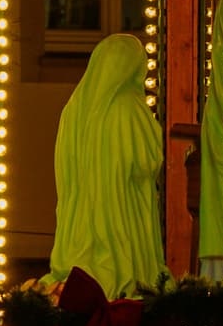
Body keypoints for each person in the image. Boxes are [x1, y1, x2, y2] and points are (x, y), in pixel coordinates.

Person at [51, 30, 167, 298]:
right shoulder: (129, 107)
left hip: (80, 216)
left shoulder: (74, 108)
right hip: (125, 210)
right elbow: (146, 162)